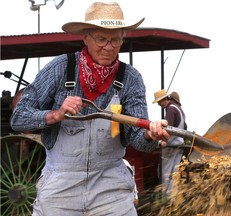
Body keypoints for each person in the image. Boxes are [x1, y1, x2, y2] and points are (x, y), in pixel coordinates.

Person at [10, 2, 170, 215]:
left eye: (115, 40)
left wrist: (150, 135)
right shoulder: (60, 68)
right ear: (85, 37)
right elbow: (19, 117)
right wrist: (56, 114)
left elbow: (138, 139)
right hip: (60, 188)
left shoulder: (130, 79)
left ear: (123, 39)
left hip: (110, 186)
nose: (108, 47)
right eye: (101, 39)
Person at [152, 89, 187, 197]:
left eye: (158, 101)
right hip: (180, 144)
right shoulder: (179, 109)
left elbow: (168, 128)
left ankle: (164, 197)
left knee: (165, 171)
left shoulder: (170, 109)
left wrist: (163, 141)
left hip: (171, 144)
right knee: (174, 172)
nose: (158, 104)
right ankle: (172, 197)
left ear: (164, 99)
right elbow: (185, 127)